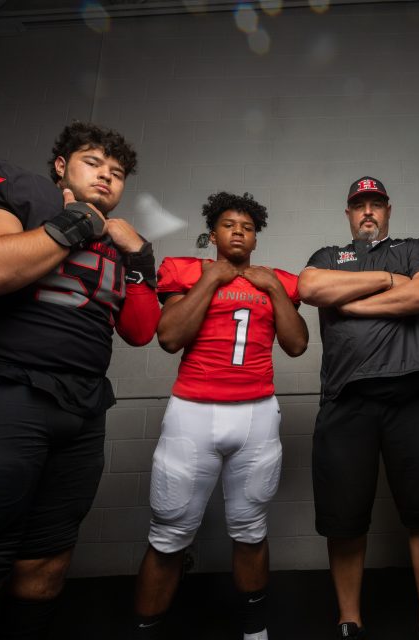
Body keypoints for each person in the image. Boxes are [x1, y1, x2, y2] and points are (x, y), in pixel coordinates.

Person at [0, 122, 160, 639]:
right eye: (93, 163)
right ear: (61, 166)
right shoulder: (14, 186)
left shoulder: (118, 242)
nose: (106, 176)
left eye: (117, 173)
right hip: (0, 393)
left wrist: (141, 259)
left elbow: (139, 332)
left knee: (45, 568)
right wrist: (77, 223)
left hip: (82, 410)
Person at [132, 192, 308, 640]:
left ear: (256, 238)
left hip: (257, 414)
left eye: (247, 227)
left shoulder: (276, 281)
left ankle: (255, 631)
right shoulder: (187, 271)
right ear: (212, 234)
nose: (238, 232)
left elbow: (297, 345)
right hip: (193, 412)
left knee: (251, 529)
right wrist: (211, 280)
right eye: (229, 225)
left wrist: (273, 288)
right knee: (169, 532)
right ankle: (147, 629)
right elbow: (169, 337)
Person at [298, 177, 419, 640]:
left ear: (388, 210)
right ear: (349, 213)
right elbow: (310, 287)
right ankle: (350, 618)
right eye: (360, 205)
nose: (368, 211)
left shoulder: (413, 248)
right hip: (346, 399)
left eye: (376, 204)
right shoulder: (329, 255)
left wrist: (353, 305)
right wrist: (387, 281)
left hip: (411, 396)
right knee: (344, 519)